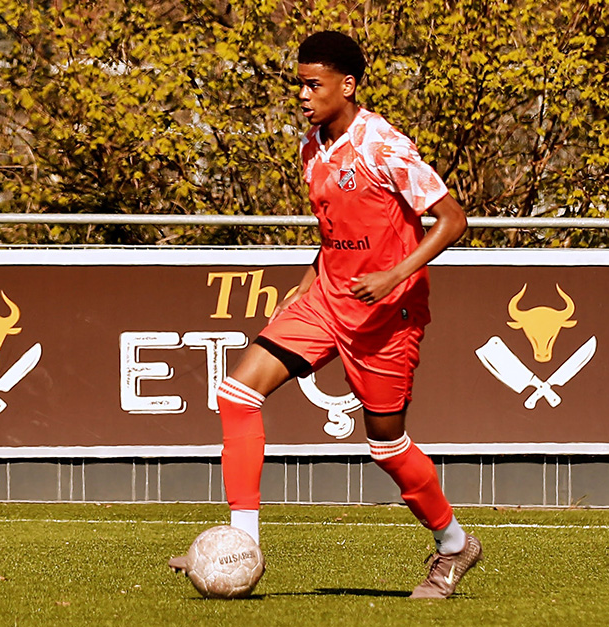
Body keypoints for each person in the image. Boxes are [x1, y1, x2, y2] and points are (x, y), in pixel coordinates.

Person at [171, 32, 479, 599]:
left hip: (387, 313)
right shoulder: (312, 147)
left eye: (314, 85)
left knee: (386, 445)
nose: (304, 95)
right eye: (300, 85)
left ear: (348, 85)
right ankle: (244, 544)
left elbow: (453, 220)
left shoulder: (383, 145)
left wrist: (391, 276)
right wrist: (309, 280)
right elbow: (337, 233)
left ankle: (455, 544)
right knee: (236, 393)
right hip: (326, 299)